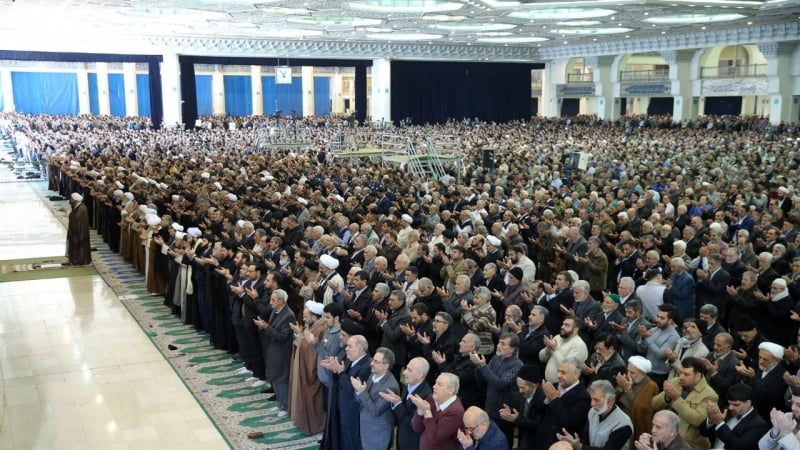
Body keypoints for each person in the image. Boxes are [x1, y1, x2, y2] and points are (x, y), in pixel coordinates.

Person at [652, 356, 719, 450]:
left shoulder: (710, 395)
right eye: (680, 372)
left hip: (689, 445)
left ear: (698, 376)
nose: (681, 377)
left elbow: (697, 420)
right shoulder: (675, 382)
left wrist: (676, 399)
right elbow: (654, 404)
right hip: (665, 439)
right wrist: (667, 396)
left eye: (686, 374)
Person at [472, 332, 524, 444]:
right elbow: (484, 379)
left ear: (512, 349)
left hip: (503, 414)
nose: (499, 346)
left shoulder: (517, 365)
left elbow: (500, 384)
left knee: (501, 443)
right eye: (499, 342)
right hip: (489, 409)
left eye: (503, 344)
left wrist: (483, 366)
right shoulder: (496, 358)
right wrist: (477, 366)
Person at [253, 289, 296, 417]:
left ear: (281, 301)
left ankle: (285, 406)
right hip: (272, 349)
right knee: (275, 378)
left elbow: (282, 336)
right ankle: (280, 403)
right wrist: (263, 327)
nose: (270, 303)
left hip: (281, 352)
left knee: (281, 379)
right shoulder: (275, 311)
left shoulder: (289, 315)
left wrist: (266, 327)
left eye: (273, 300)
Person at [556, 379, 633, 450]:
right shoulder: (593, 412)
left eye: (596, 400)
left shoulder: (623, 424)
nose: (592, 404)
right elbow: (586, 438)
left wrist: (580, 447)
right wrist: (574, 441)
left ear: (610, 401)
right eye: (591, 399)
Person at [288, 300, 326, 434]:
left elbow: (313, 350)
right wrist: (300, 333)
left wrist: (302, 336)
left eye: (305, 316)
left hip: (311, 372)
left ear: (314, 316)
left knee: (313, 401)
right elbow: (303, 343)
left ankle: (315, 426)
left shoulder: (320, 329)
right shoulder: (312, 327)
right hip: (303, 369)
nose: (303, 319)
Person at [538, 358, 592, 449]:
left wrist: (555, 400)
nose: (558, 375)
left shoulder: (583, 397)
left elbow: (569, 423)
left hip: (562, 444)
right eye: (558, 371)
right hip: (543, 441)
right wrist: (547, 399)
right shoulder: (554, 386)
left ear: (576, 374)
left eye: (563, 373)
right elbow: (538, 412)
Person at [352, 347, 400, 450]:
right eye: (373, 359)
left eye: (376, 361)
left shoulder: (390, 386)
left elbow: (375, 410)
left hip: (377, 435)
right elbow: (361, 399)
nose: (371, 363)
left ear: (385, 366)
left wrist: (361, 391)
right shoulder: (372, 375)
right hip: (366, 429)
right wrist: (358, 391)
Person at [379, 357, 432, 450]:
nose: (404, 372)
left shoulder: (425, 395)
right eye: (406, 368)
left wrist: (397, 404)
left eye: (409, 370)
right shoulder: (408, 386)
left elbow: (413, 424)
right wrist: (395, 403)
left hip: (412, 444)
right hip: (402, 439)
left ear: (420, 375)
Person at [699, 383, 770, 449]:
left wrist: (720, 423)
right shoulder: (726, 410)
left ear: (748, 403)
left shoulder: (759, 425)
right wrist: (711, 419)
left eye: (736, 405)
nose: (730, 407)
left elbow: (738, 446)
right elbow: (703, 432)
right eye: (729, 403)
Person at [410, 372, 465, 450]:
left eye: (440, 384)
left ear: (450, 390)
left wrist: (427, 412)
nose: (434, 387)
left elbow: (435, 437)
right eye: (435, 383)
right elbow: (416, 428)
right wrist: (420, 411)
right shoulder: (431, 399)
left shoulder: (456, 411)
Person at [617, 356, 660, 449]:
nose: (629, 375)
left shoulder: (651, 386)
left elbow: (640, 409)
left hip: (634, 426)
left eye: (632, 373)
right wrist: (620, 389)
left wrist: (627, 390)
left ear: (643, 373)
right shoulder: (628, 380)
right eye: (628, 371)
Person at [499, 364, 543, 450]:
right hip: (523, 440)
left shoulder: (543, 400)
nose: (520, 391)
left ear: (534, 386)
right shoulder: (521, 394)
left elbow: (538, 425)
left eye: (523, 388)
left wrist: (516, 419)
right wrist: (510, 413)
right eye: (518, 387)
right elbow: (518, 412)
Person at [67, 192, 91, 265]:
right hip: (78, 230)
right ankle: (76, 259)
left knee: (80, 246)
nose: (70, 200)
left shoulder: (81, 208)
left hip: (80, 231)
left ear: (76, 200)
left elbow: (75, 218)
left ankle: (80, 260)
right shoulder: (79, 206)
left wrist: (67, 212)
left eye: (72, 199)